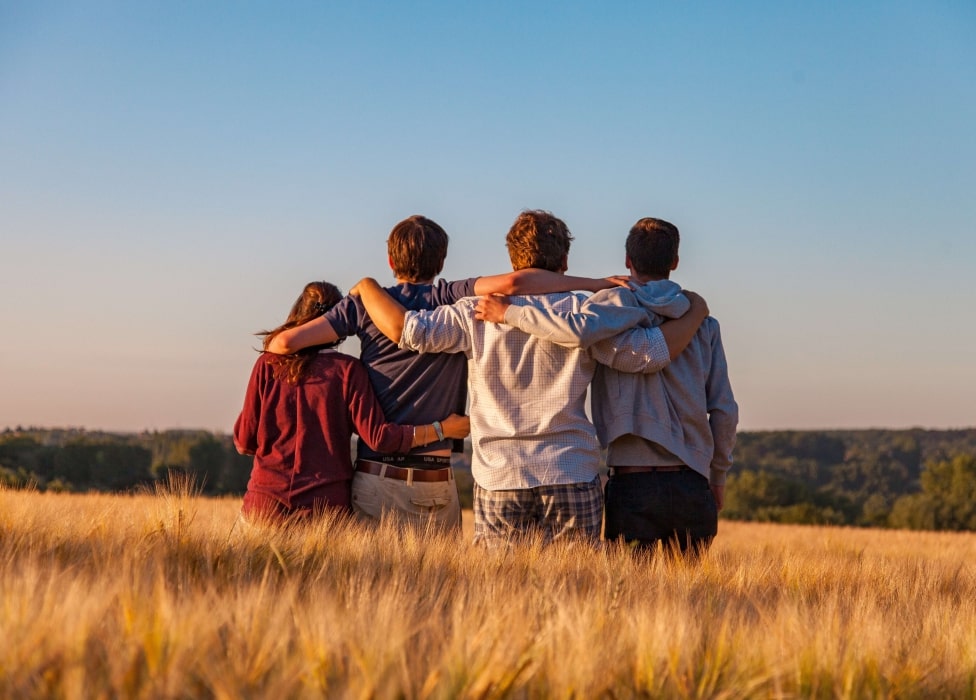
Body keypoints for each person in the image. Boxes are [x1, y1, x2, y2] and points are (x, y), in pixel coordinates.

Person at [350, 210, 709, 547]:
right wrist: (695, 313)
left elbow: (409, 331)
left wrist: (367, 287)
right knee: (576, 592)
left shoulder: (473, 312)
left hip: (499, 475)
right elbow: (647, 355)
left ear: (512, 261)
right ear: (564, 262)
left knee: (501, 596)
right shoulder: (586, 313)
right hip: (570, 469)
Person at [264, 215, 622, 532]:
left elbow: (282, 345)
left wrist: (361, 293)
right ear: (442, 261)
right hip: (436, 479)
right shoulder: (451, 297)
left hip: (376, 476)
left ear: (391, 260)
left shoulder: (364, 304)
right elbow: (515, 284)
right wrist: (596, 284)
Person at [476, 217, 738, 557]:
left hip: (632, 483)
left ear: (628, 261)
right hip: (692, 482)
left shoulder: (606, 311)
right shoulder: (704, 324)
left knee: (627, 599)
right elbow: (724, 410)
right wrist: (717, 475)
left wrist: (510, 313)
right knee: (691, 602)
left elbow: (574, 330)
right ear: (674, 262)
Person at [233, 280, 470, 525]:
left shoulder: (267, 365)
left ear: (298, 313)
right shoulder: (348, 371)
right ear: (339, 322)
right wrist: (442, 429)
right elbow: (380, 438)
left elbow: (244, 442)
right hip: (325, 512)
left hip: (264, 506)